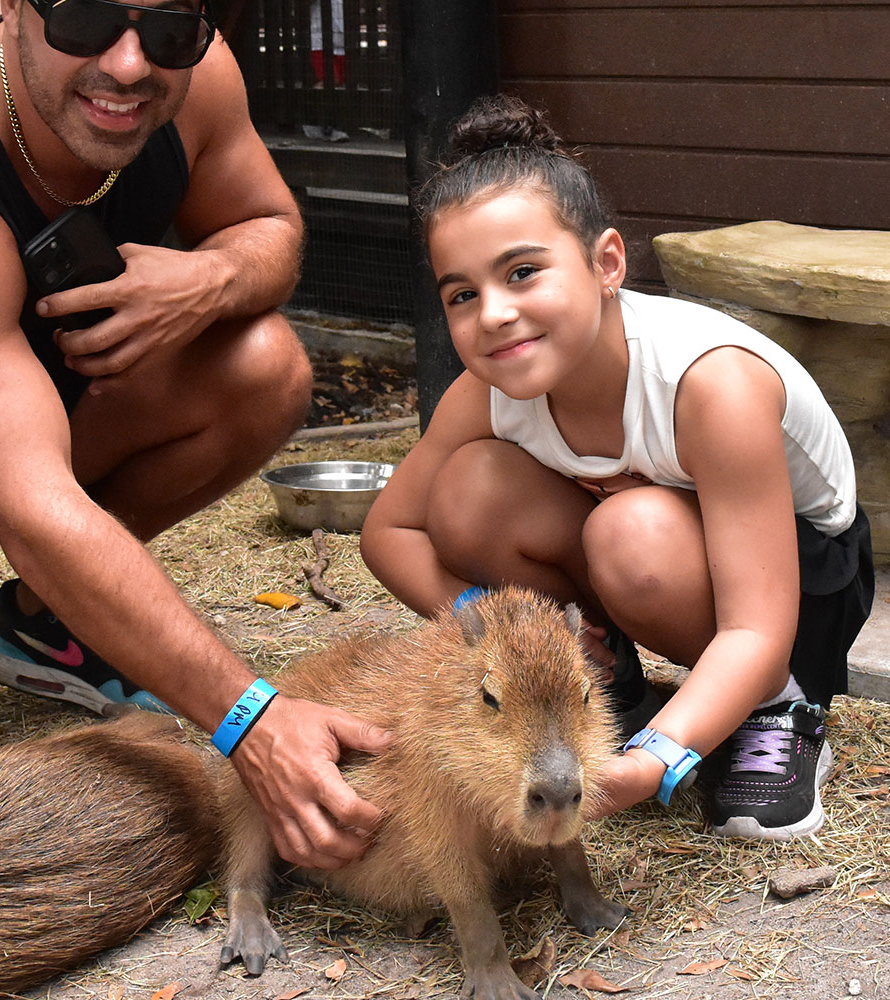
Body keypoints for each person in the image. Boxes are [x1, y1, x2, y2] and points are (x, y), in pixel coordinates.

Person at [0, 0, 392, 870]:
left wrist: (209, 278)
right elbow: (33, 508)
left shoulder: (196, 74)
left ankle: (52, 631)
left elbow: (268, 227)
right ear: (10, 5)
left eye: (166, 31)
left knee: (263, 365)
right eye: (84, 16)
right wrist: (253, 720)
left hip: (43, 405)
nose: (128, 65)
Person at [360, 94, 874, 841]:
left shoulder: (710, 382)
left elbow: (757, 627)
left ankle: (779, 708)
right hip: (653, 553)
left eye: (524, 272)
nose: (494, 313)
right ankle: (606, 683)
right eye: (463, 294)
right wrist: (513, 632)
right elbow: (390, 533)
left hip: (793, 591)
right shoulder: (488, 391)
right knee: (470, 490)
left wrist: (656, 760)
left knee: (631, 530)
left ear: (607, 263)